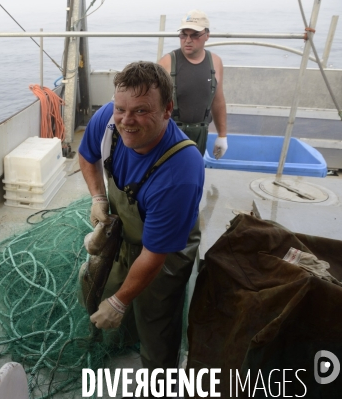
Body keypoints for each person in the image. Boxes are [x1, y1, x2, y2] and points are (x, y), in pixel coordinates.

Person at [78, 61, 204, 378]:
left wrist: (119, 302)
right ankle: (118, 335)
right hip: (125, 233)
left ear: (167, 109)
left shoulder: (180, 172)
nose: (127, 121)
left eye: (141, 111)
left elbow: (154, 254)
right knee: (93, 284)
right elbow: (87, 154)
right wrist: (98, 196)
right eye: (121, 109)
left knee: (156, 320)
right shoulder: (108, 120)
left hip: (165, 249)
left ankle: (158, 380)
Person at [158, 9, 228, 159]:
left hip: (201, 133)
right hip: (170, 133)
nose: (188, 40)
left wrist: (222, 135)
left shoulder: (215, 62)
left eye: (195, 35)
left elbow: (218, 100)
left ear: (207, 35)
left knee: (194, 174)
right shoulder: (166, 63)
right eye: (184, 34)